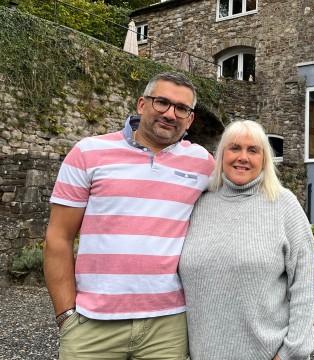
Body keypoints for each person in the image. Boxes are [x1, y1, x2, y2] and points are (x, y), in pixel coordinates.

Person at [44, 72, 215, 359]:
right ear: (141, 104)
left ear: (190, 119)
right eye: (162, 102)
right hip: (92, 325)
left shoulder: (202, 164)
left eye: (181, 108)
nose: (170, 114)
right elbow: (58, 237)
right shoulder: (88, 152)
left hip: (167, 325)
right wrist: (66, 315)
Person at [180, 120, 314, 360]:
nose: (242, 157)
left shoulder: (284, 205)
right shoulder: (199, 203)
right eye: (234, 148)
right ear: (221, 154)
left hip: (267, 354)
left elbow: (305, 286)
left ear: (264, 159)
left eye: (252, 150)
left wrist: (290, 351)